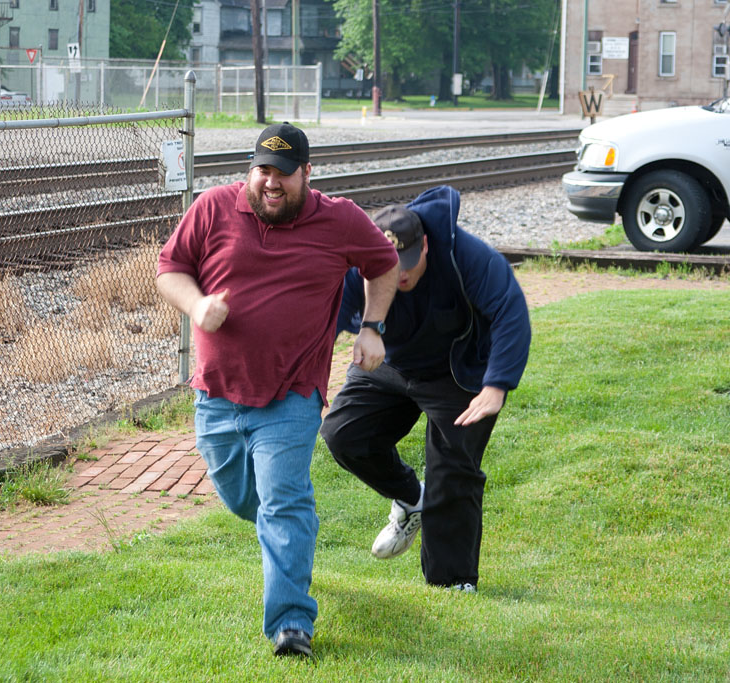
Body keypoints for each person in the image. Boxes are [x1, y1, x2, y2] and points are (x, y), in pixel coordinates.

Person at [156, 122, 399, 658]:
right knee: (248, 500)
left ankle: (291, 625)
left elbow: (383, 264)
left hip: (291, 396)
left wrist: (372, 326)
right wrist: (197, 305)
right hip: (217, 395)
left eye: (283, 174)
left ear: (307, 175)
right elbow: (170, 268)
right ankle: (291, 532)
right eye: (262, 169)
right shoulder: (214, 208)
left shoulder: (338, 220)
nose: (270, 183)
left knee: (282, 501)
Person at [320, 185, 531, 592]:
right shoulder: (354, 268)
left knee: (453, 469)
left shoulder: (464, 254)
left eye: (408, 265)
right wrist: (303, 387)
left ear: (427, 247)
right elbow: (323, 324)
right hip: (390, 364)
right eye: (387, 267)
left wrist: (497, 384)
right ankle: (410, 498)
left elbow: (510, 309)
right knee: (342, 434)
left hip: (457, 373)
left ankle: (450, 582)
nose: (399, 276)